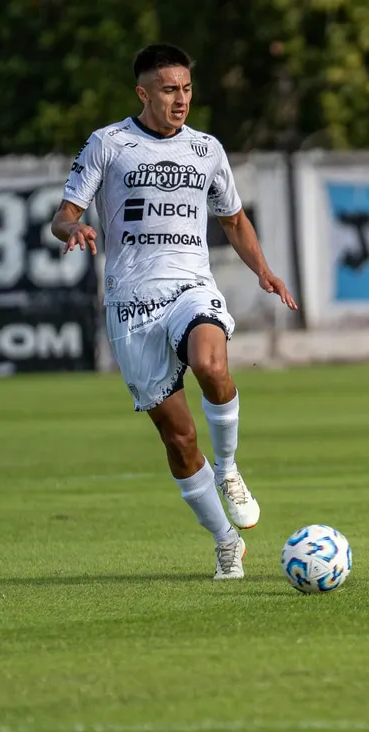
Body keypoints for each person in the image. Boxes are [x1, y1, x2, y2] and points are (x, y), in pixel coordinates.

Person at [51, 43, 298, 580]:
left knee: (212, 366)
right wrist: (75, 228)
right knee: (180, 438)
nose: (181, 99)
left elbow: (232, 220)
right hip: (130, 303)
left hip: (191, 286)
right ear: (144, 93)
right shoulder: (108, 144)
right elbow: (63, 215)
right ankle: (225, 539)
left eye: (186, 88)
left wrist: (263, 270)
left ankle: (230, 469)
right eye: (169, 90)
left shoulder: (206, 148)